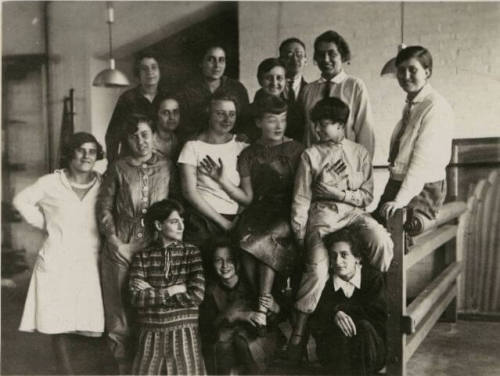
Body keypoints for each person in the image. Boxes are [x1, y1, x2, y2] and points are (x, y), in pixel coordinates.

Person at [288, 97, 393, 358]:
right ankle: (298, 334)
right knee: (317, 269)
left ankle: (377, 314)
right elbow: (301, 199)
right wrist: (302, 236)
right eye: (316, 125)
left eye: (324, 125)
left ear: (341, 125)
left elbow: (367, 197)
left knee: (381, 240)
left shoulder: (359, 153)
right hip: (323, 216)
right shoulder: (309, 155)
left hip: (354, 213)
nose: (318, 131)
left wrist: (339, 192)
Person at [200, 95, 304, 327]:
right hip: (258, 210)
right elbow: (246, 197)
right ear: (258, 122)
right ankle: (260, 301)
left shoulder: (297, 149)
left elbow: (302, 192)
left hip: (287, 211)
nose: (278, 126)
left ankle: (262, 302)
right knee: (242, 239)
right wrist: (221, 180)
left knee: (264, 238)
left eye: (282, 120)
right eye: (271, 120)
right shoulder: (248, 153)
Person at [13, 132, 105, 374]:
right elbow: (21, 200)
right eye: (81, 150)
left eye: (92, 151)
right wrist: (44, 223)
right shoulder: (51, 183)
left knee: (91, 322)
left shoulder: (104, 183)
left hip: (91, 260)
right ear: (70, 152)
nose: (87, 156)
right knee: (59, 322)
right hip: (58, 259)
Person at [97, 114, 177, 374]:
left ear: (153, 135)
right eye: (134, 135)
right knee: (119, 311)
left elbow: (176, 206)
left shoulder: (167, 166)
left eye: (145, 134)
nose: (140, 141)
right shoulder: (118, 168)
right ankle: (122, 368)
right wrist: (115, 242)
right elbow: (104, 208)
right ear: (127, 140)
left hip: (156, 243)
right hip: (122, 242)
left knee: (153, 308)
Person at [376, 46, 454, 234]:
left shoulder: (434, 106)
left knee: (387, 233)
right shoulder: (412, 104)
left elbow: (422, 162)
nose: (405, 76)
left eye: (413, 70)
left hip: (423, 188)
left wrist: (399, 201)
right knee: (369, 228)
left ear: (427, 72)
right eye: (401, 70)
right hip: (399, 183)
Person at [129, 199, 205, 375]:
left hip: (184, 334)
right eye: (174, 221)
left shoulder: (191, 253)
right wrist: (173, 289)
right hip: (150, 334)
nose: (181, 227)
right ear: (158, 225)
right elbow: (136, 298)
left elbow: (196, 296)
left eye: (182, 222)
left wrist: (152, 291)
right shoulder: (143, 256)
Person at [178, 93, 248, 267]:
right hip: (203, 218)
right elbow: (189, 192)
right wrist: (223, 223)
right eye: (220, 113)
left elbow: (249, 190)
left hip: (237, 218)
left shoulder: (243, 146)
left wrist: (238, 217)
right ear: (208, 113)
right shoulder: (192, 146)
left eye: (231, 114)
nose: (227, 119)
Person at [310, 228, 387, 376]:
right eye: (333, 256)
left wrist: (339, 310)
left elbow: (378, 316)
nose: (338, 262)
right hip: (336, 353)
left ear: (357, 257)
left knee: (363, 327)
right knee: (338, 333)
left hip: (370, 350)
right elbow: (316, 322)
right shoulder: (324, 283)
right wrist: (334, 315)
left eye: (344, 255)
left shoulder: (372, 278)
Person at [199, 237, 280, 375]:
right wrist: (234, 315)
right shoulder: (210, 291)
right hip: (227, 344)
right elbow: (207, 329)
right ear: (212, 263)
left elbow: (276, 321)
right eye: (218, 260)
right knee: (222, 341)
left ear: (238, 262)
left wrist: (274, 307)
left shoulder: (252, 283)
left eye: (230, 259)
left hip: (254, 342)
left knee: (243, 341)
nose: (225, 265)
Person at [299, 30, 375, 157]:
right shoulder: (308, 90)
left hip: (346, 161)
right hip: (315, 162)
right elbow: (305, 132)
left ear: (342, 55)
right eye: (321, 54)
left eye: (332, 54)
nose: (326, 59)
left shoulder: (355, 85)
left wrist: (362, 167)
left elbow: (365, 130)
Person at [176, 45, 249, 142]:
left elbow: (246, 121)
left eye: (221, 60)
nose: (217, 65)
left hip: (230, 143)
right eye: (211, 59)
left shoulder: (237, 88)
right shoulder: (186, 91)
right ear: (201, 62)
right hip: (197, 143)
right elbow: (181, 126)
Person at [105, 52, 168, 163]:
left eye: (154, 67)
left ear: (160, 71)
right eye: (144, 69)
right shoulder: (127, 98)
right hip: (132, 159)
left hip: (161, 160)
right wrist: (112, 164)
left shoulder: (168, 98)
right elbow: (112, 134)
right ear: (138, 74)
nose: (150, 72)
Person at [278, 37, 309, 141]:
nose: (294, 59)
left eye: (299, 55)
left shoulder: (313, 91)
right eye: (289, 55)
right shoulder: (267, 91)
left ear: (306, 60)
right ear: (280, 60)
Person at [152, 95, 181, 161]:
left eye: (175, 112)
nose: (172, 117)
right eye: (166, 113)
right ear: (156, 114)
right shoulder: (149, 142)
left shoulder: (177, 141)